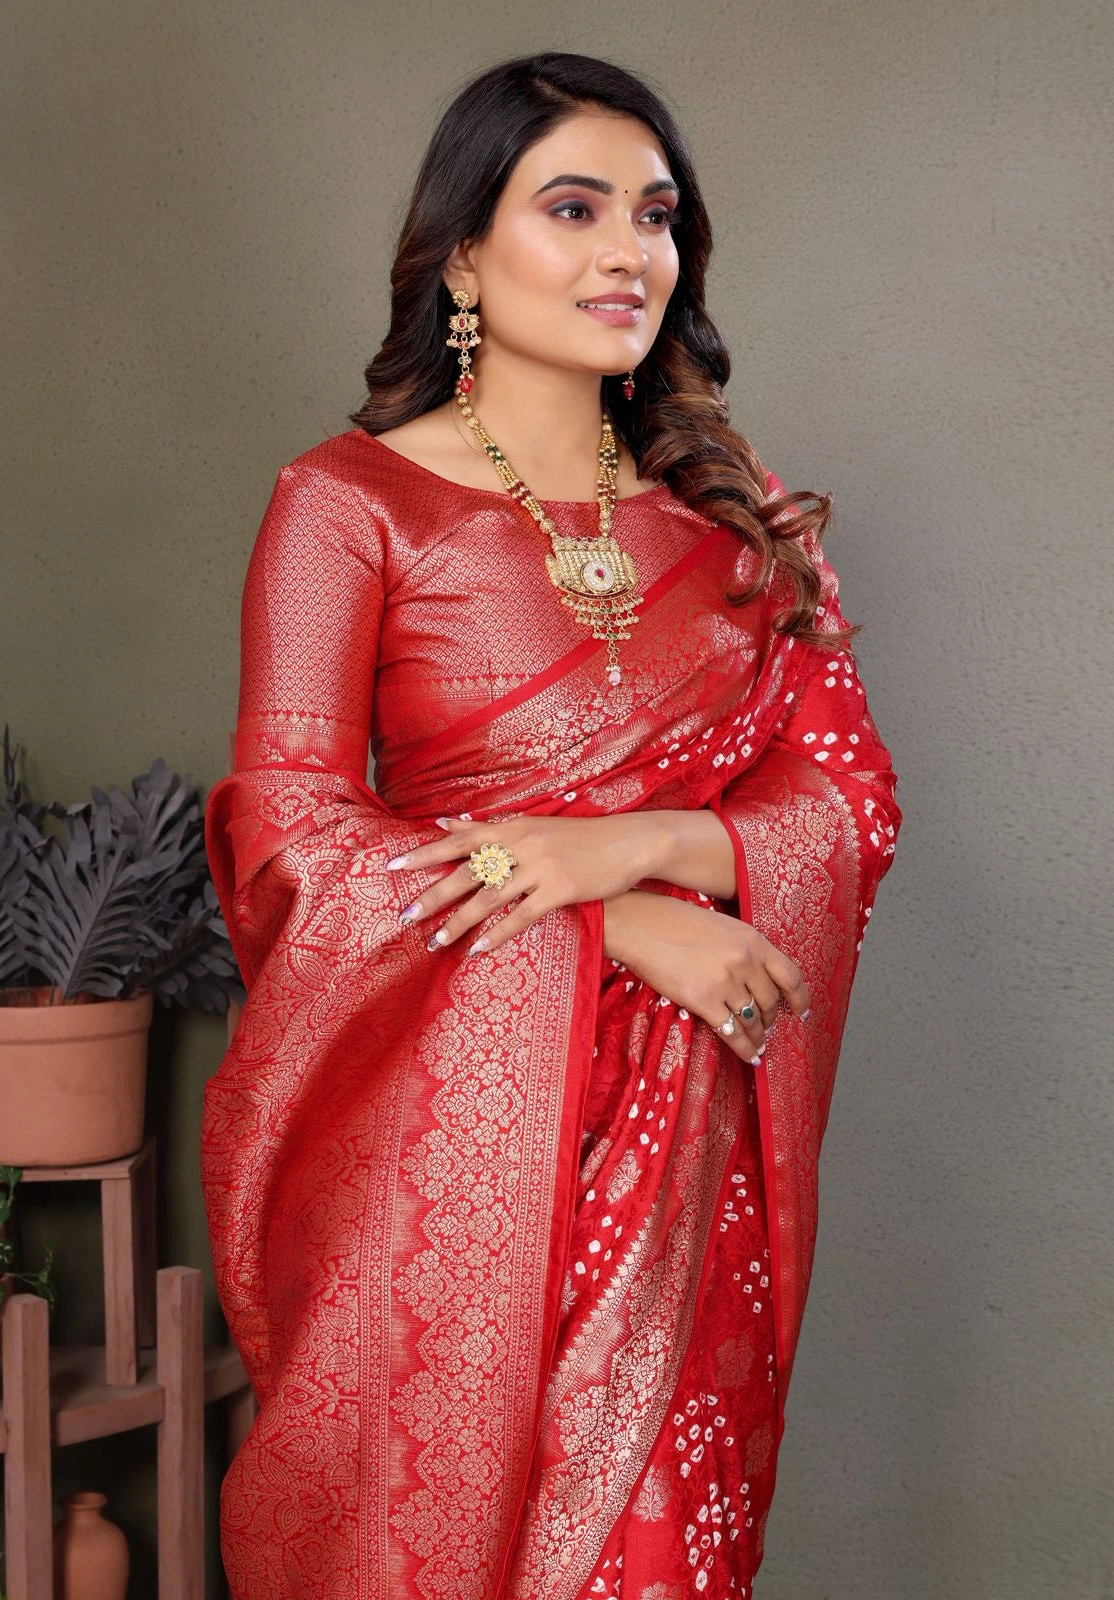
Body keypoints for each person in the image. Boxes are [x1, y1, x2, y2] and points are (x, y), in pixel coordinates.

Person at [201, 50, 903, 1600]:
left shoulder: (730, 520)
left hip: (678, 1153)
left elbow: (850, 801)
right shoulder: (348, 502)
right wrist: (613, 924)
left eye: (655, 217)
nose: (624, 251)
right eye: (571, 207)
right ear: (463, 251)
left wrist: (636, 846)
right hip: (449, 1158)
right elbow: (291, 836)